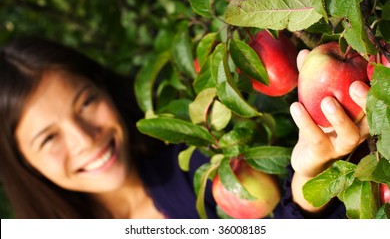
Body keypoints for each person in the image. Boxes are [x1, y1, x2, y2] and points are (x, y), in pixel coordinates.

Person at [0, 37, 370, 219]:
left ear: (104, 89)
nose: (84, 138)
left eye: (86, 103)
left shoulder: (201, 170)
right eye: (49, 138)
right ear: (21, 162)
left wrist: (310, 185)